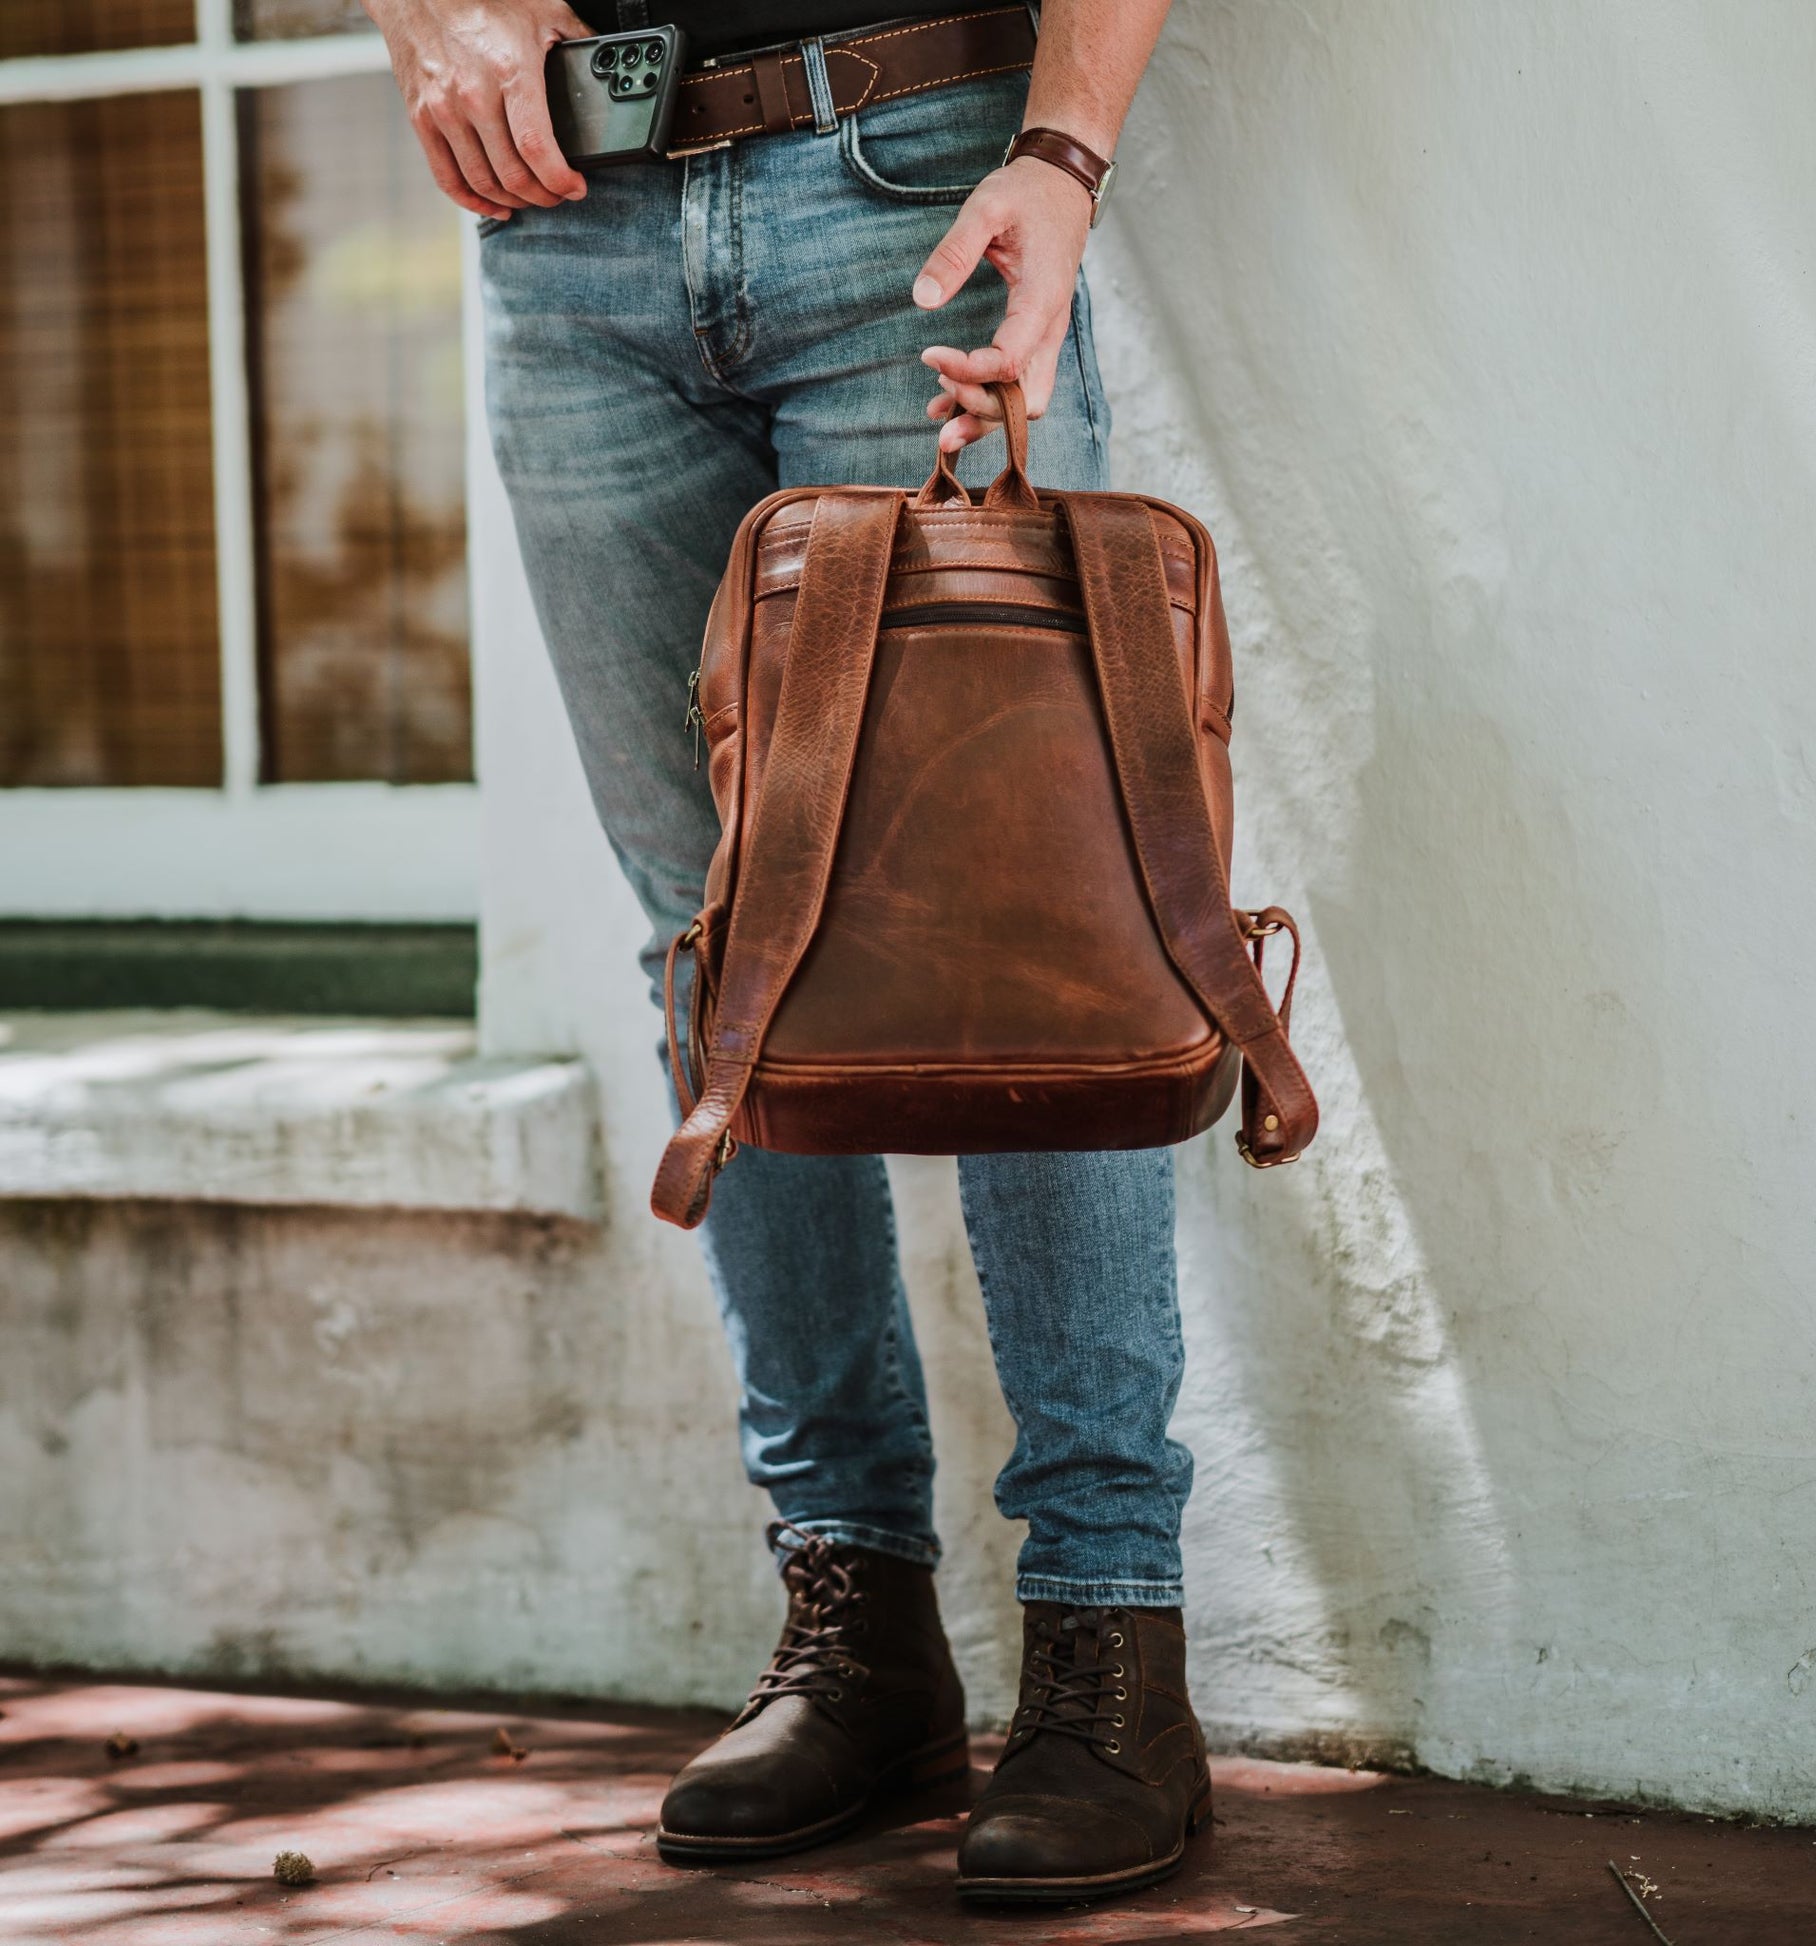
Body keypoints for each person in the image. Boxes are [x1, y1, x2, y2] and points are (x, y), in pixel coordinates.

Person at [365, 0, 1199, 1903]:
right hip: (565, 228)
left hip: (905, 183)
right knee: (716, 946)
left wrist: (1063, 150)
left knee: (1017, 938)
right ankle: (859, 1626)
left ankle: (1108, 1643)